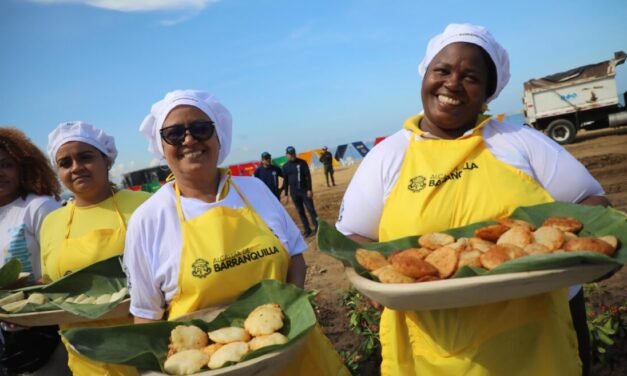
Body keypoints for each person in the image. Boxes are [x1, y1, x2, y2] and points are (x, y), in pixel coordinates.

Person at [336, 23, 608, 376]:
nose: (452, 83)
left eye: (470, 77)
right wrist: (372, 281)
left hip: (538, 342)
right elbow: (354, 239)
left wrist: (584, 253)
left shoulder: (519, 141)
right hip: (430, 350)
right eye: (443, 70)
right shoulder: (387, 156)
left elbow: (593, 202)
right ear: (425, 75)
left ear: (486, 93)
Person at [124, 89, 348, 375]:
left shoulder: (254, 190)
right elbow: (146, 316)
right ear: (161, 145)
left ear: (219, 138)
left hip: (294, 353)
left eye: (201, 128)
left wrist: (291, 316)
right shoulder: (149, 219)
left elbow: (295, 257)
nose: (190, 139)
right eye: (174, 133)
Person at [40, 121, 150, 375]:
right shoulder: (52, 223)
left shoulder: (144, 206)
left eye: (85, 157)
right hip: (84, 361)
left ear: (107, 160)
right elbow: (52, 289)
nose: (76, 168)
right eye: (65, 163)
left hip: (146, 354)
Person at [0, 128, 69, 376]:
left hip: (47, 330)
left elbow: (66, 271)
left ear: (23, 167)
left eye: (6, 164)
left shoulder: (38, 207)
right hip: (7, 336)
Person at [282, 146, 318, 237]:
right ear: (287, 155)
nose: (292, 155)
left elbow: (308, 176)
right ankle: (307, 230)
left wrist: (310, 189)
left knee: (311, 210)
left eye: (293, 153)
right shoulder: (285, 167)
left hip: (305, 191)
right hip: (294, 193)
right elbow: (285, 181)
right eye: (290, 154)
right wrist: (286, 194)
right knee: (300, 211)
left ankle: (318, 228)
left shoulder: (302, 162)